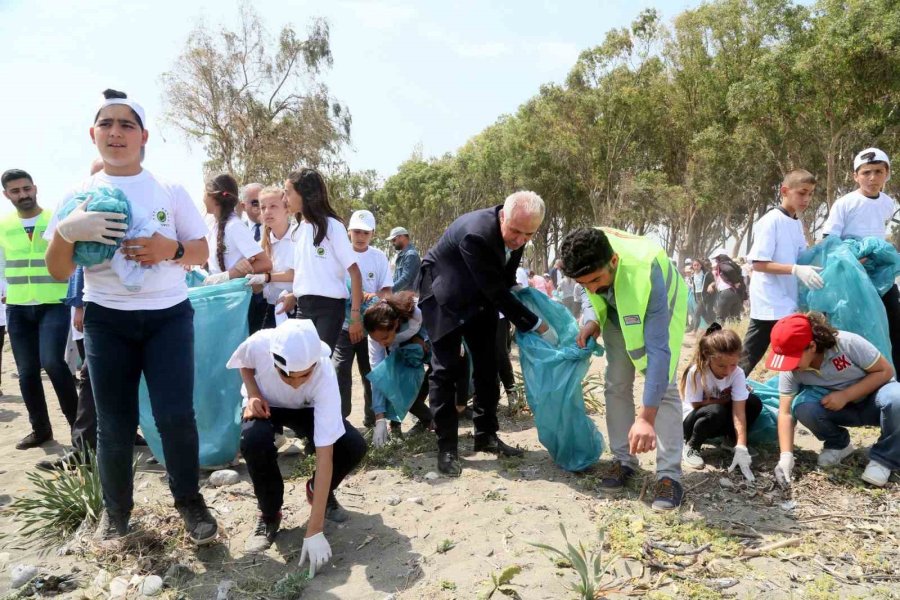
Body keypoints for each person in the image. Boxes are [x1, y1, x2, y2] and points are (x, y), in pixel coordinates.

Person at [44, 89, 217, 544]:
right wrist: (66, 231)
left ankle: (190, 502)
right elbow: (58, 269)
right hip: (108, 321)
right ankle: (117, 512)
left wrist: (170, 248)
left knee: (175, 416)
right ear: (92, 134)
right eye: (107, 124)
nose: (116, 133)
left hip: (167, 318)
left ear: (143, 136)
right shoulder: (77, 195)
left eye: (126, 125)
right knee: (114, 422)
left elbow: (202, 251)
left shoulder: (169, 190)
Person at [418, 191, 555, 476]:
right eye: (515, 231)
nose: (518, 240)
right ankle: (447, 449)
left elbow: (503, 281)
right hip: (445, 294)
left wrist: (522, 295)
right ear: (503, 216)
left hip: (479, 297)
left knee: (488, 365)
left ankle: (487, 436)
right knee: (445, 370)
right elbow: (496, 291)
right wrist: (535, 323)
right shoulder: (476, 234)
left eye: (528, 235)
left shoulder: (518, 232)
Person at [560, 226, 688, 511]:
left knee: (663, 388)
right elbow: (592, 295)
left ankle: (669, 475)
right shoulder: (588, 251)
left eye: (595, 279)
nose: (592, 288)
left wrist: (646, 417)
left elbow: (658, 352)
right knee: (615, 383)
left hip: (660, 309)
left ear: (614, 261)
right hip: (618, 314)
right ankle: (623, 460)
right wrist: (593, 319)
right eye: (584, 283)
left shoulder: (647, 271)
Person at [230, 319, 367, 566]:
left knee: (352, 445)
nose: (296, 383)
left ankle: (319, 493)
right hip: (266, 404)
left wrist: (314, 530)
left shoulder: (325, 374)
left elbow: (326, 454)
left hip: (307, 407)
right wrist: (253, 394)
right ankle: (270, 513)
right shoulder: (260, 343)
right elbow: (244, 364)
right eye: (287, 375)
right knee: (253, 441)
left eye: (305, 375)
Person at [768, 312, 900, 487]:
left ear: (812, 347)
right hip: (839, 410)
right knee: (802, 407)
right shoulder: (792, 370)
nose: (788, 366)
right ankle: (839, 445)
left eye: (791, 358)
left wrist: (845, 395)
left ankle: (884, 459)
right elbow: (785, 413)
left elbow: (885, 371)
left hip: (875, 403)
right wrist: (786, 456)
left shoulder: (847, 343)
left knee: (897, 397)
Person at [0, 168, 77, 450]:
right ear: (6, 195)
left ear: (35, 188)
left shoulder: (55, 220)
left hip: (53, 303)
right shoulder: (4, 225)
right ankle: (40, 429)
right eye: (16, 191)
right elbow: (2, 264)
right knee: (26, 371)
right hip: (19, 307)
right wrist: (4, 291)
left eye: (26, 188)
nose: (23, 195)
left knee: (53, 363)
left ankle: (78, 429)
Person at [822, 148, 900, 372]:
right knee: (850, 329)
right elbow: (830, 240)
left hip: (880, 277)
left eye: (878, 171)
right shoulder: (845, 203)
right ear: (856, 176)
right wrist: (855, 259)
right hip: (851, 276)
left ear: (887, 173)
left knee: (893, 322)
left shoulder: (887, 202)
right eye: (866, 172)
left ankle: (892, 377)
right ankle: (849, 375)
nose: (872, 177)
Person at [739, 170, 821, 375]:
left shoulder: (796, 223)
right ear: (785, 191)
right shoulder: (771, 220)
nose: (807, 199)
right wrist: (795, 269)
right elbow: (758, 263)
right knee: (750, 355)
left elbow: (802, 257)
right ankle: (724, 395)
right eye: (802, 193)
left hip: (787, 300)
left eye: (811, 194)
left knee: (796, 353)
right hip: (769, 301)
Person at [279, 169, 363, 354]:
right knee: (300, 364)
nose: (284, 198)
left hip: (329, 310)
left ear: (304, 193)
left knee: (318, 364)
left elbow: (355, 273)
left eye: (287, 192)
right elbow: (302, 274)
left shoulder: (333, 226)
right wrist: (293, 295)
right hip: (303, 308)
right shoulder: (298, 230)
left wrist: (355, 317)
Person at [680, 323, 762, 479]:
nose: (728, 371)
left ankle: (731, 441)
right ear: (708, 357)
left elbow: (739, 412)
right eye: (721, 366)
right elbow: (695, 404)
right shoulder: (696, 372)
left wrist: (741, 445)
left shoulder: (737, 373)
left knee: (753, 402)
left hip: (719, 417)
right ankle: (692, 446)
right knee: (715, 411)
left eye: (733, 364)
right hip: (693, 420)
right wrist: (723, 400)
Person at [332, 210, 391, 426]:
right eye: (357, 231)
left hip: (370, 329)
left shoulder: (379, 257)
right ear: (349, 232)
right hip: (343, 326)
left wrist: (375, 297)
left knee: (370, 374)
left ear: (373, 234)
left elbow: (387, 291)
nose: (360, 236)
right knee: (340, 372)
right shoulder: (338, 254)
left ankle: (372, 419)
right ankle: (340, 420)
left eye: (365, 232)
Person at [364, 292, 435, 445]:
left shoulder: (416, 312)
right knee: (393, 382)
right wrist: (379, 418)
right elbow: (379, 377)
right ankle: (395, 425)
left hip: (424, 343)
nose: (381, 343)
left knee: (430, 373)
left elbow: (437, 324)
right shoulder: (377, 336)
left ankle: (431, 420)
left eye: (384, 338)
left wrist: (422, 339)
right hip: (400, 350)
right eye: (378, 340)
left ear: (395, 324)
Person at [200, 174, 272, 287]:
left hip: (234, 296)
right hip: (220, 293)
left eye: (204, 192)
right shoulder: (213, 225)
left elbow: (265, 263)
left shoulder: (234, 226)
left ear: (214, 197)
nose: (203, 198)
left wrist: (230, 275)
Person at [244, 186, 296, 330]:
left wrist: (265, 277)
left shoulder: (298, 236)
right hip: (270, 308)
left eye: (273, 206)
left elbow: (295, 274)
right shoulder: (260, 244)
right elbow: (258, 286)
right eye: (263, 207)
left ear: (287, 208)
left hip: (295, 308)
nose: (267, 212)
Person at [240, 183, 269, 334]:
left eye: (263, 201)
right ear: (243, 206)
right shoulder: (237, 231)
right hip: (245, 303)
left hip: (273, 301)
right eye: (255, 202)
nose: (260, 206)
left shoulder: (280, 228)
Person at [710, 255, 744, 322]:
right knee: (735, 318)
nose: (716, 262)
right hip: (736, 293)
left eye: (717, 260)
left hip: (726, 292)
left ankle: (717, 332)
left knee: (720, 318)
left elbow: (729, 270)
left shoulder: (722, 264)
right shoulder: (732, 264)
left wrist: (735, 281)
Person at [387, 226, 420, 293]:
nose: (393, 243)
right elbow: (396, 278)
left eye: (394, 240)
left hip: (408, 300)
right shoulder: (402, 255)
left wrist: (389, 291)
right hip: (401, 298)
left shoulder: (411, 255)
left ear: (402, 237)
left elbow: (406, 279)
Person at [689, 259, 715, 335]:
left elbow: (714, 281)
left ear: (701, 265)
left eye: (698, 265)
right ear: (692, 266)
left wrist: (710, 285)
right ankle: (714, 327)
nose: (696, 267)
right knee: (703, 314)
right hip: (696, 295)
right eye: (694, 265)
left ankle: (694, 331)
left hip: (704, 296)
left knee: (697, 313)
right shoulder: (693, 275)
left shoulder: (706, 274)